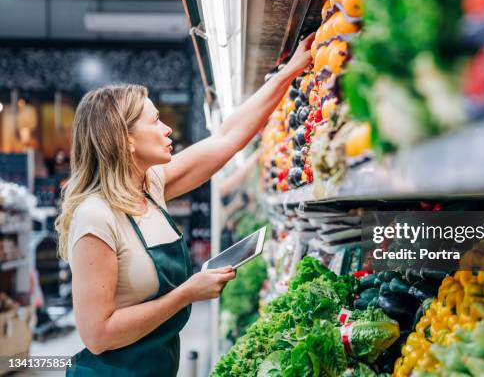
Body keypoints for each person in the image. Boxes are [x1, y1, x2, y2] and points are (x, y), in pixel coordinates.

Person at [55, 34, 314, 376]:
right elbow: (98, 335)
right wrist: (186, 293)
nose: (166, 129)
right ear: (125, 139)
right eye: (154, 121)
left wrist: (289, 72)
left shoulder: (150, 187)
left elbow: (226, 138)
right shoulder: (96, 217)